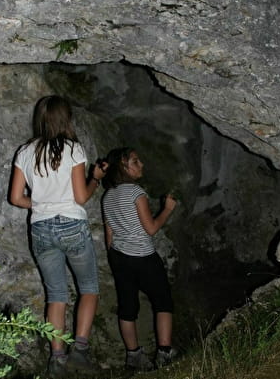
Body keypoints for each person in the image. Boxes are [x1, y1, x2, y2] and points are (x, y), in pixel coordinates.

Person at [9, 95, 106, 378]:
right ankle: (81, 351)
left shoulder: (25, 152)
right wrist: (96, 178)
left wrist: (41, 203)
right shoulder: (74, 150)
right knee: (88, 287)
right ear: (67, 119)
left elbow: (16, 198)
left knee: (56, 295)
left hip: (40, 228)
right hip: (71, 225)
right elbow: (81, 197)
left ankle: (57, 360)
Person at [101, 147, 177, 371]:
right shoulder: (136, 192)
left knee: (127, 307)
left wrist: (116, 257)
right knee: (163, 301)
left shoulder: (107, 196)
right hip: (143, 257)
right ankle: (164, 353)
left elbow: (109, 235)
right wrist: (167, 208)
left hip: (118, 256)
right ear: (123, 166)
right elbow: (151, 228)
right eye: (135, 161)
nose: (141, 164)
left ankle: (134, 356)